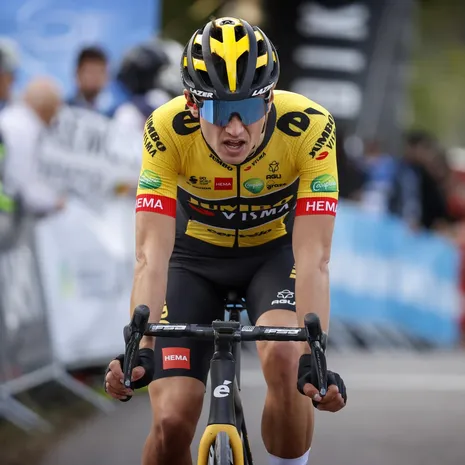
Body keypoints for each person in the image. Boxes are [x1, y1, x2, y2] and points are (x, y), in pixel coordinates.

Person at [104, 17, 347, 465]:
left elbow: (314, 256)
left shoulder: (311, 128)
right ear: (192, 105)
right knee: (171, 421)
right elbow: (151, 255)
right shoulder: (166, 128)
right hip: (191, 260)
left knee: (286, 359)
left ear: (270, 100)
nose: (235, 129)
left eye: (250, 110)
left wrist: (315, 355)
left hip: (272, 258)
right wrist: (140, 347)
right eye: (218, 112)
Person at [0, 77, 66, 216]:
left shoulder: (9, 118)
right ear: (46, 107)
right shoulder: (25, 130)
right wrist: (55, 202)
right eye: (56, 108)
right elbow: (21, 185)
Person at [67, 46, 109, 112]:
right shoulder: (64, 109)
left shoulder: (115, 112)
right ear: (78, 73)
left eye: (99, 72)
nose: (95, 77)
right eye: (90, 71)